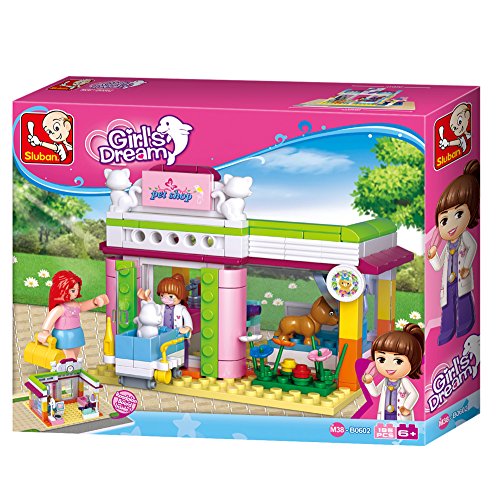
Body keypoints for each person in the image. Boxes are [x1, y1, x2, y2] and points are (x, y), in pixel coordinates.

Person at [427, 160, 479, 345]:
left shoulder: (464, 236)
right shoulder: (448, 245)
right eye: (444, 221)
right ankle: (446, 331)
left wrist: (466, 267)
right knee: (447, 306)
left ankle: (465, 325)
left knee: (464, 301)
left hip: (461, 278)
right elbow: (439, 265)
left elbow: (473, 247)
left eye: (458, 214)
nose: (450, 226)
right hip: (448, 283)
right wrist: (433, 256)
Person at [39, 270, 109, 359]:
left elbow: (83, 306)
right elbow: (51, 318)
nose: (76, 293)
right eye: (73, 290)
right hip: (64, 335)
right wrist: (45, 331)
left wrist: (94, 302)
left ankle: (72, 364)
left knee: (75, 353)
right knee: (69, 356)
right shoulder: (60, 308)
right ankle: (70, 365)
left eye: (77, 290)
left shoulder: (75, 304)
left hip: (76, 332)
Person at [362, 323, 424, 421]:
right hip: (385, 415)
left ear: (412, 362)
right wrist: (369, 382)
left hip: (400, 415)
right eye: (382, 359)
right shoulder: (385, 381)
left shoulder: (404, 381)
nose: (388, 366)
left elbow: (414, 394)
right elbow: (375, 393)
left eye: (398, 361)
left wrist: (406, 407)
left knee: (401, 427)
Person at [138, 274, 193, 366]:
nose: (165, 299)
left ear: (180, 296)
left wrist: (187, 328)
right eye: (162, 295)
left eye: (170, 296)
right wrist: (147, 299)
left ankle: (180, 364)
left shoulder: (181, 309)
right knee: (163, 348)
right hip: (163, 333)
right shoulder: (162, 307)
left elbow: (188, 319)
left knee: (176, 349)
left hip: (175, 333)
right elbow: (153, 307)